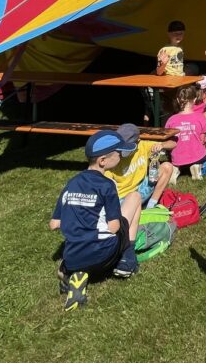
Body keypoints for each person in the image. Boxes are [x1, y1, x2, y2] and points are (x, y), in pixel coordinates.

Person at [50, 129, 138, 311]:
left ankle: (72, 273)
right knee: (125, 220)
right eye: (119, 153)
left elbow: (54, 224)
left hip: (72, 256)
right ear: (103, 161)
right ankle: (128, 263)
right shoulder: (107, 185)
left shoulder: (71, 182)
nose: (122, 156)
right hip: (102, 254)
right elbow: (113, 227)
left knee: (82, 246)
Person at [106, 123, 176, 244]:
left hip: (140, 190)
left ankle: (150, 207)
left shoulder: (143, 146)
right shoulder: (113, 156)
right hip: (122, 199)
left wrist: (161, 145)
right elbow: (106, 186)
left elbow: (174, 143)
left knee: (167, 167)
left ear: (138, 141)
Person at [163, 84, 206, 178]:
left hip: (178, 157)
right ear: (194, 100)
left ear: (178, 100)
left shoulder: (171, 119)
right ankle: (196, 166)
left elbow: (168, 138)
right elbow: (203, 139)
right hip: (196, 155)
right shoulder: (200, 117)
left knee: (177, 153)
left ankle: (176, 168)